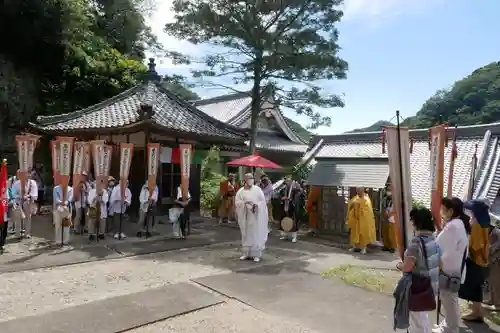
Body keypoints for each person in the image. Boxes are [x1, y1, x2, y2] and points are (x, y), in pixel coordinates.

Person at [396, 207, 441, 333]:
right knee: (422, 318)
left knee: (417, 322)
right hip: (431, 285)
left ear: (417, 223)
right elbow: (440, 263)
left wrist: (399, 266)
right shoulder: (435, 240)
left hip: (417, 287)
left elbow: (408, 266)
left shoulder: (416, 243)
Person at [433, 197, 469, 333]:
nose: (441, 211)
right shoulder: (458, 224)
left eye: (443, 209)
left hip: (449, 270)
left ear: (450, 211)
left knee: (449, 300)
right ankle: (447, 325)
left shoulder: (453, 226)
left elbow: (437, 245)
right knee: (449, 300)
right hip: (454, 268)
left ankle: (450, 328)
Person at [459, 199, 490, 323]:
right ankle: (477, 312)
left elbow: (476, 246)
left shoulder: (477, 225)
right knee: (476, 288)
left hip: (475, 261)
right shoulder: (484, 222)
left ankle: (476, 313)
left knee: (473, 288)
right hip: (482, 260)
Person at [235, 173, 268, 262]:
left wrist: (255, 205)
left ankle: (256, 254)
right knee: (245, 234)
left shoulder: (258, 190)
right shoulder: (241, 191)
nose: (251, 179)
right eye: (249, 178)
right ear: (245, 179)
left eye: (252, 178)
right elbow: (237, 202)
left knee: (255, 233)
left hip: (255, 216)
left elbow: (263, 202)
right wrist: (244, 204)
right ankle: (246, 253)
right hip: (245, 215)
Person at [346, 187, 377, 254]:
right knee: (354, 234)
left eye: (359, 191)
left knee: (363, 234)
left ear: (363, 191)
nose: (358, 192)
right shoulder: (356, 198)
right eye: (357, 191)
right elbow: (351, 206)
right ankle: (354, 247)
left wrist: (360, 209)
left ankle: (363, 248)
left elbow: (368, 211)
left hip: (363, 220)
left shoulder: (366, 199)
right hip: (356, 220)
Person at [11, 171, 38, 239]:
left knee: (28, 218)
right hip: (18, 202)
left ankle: (27, 233)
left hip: (28, 202)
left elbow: (35, 194)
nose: (28, 175)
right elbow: (13, 194)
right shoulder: (16, 183)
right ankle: (18, 234)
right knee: (18, 217)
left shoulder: (33, 183)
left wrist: (28, 196)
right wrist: (20, 196)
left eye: (29, 174)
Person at [279, 177, 301, 243]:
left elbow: (299, 193)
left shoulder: (295, 188)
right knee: (284, 220)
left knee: (292, 221)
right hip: (284, 206)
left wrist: (292, 200)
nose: (287, 183)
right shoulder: (283, 188)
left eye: (288, 181)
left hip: (292, 206)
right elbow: (279, 195)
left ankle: (294, 236)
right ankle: (284, 235)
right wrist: (282, 198)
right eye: (286, 181)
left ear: (291, 181)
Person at [485, 214, 500, 310]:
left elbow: (494, 248)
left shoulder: (496, 233)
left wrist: (490, 251)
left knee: (496, 281)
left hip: (497, 260)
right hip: (492, 260)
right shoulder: (490, 232)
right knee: (490, 280)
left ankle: (498, 304)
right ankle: (492, 300)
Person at [382, 185, 397, 253]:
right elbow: (384, 207)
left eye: (390, 190)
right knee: (385, 232)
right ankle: (386, 245)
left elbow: (397, 209)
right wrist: (385, 212)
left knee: (391, 233)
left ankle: (392, 246)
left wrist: (390, 214)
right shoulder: (385, 199)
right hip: (386, 216)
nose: (389, 191)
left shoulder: (396, 199)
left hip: (392, 217)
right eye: (388, 190)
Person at [0, 185, 13, 253]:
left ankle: (2, 245)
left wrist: (9, 202)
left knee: (4, 231)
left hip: (4, 215)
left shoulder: (7, 189)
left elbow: (11, 199)